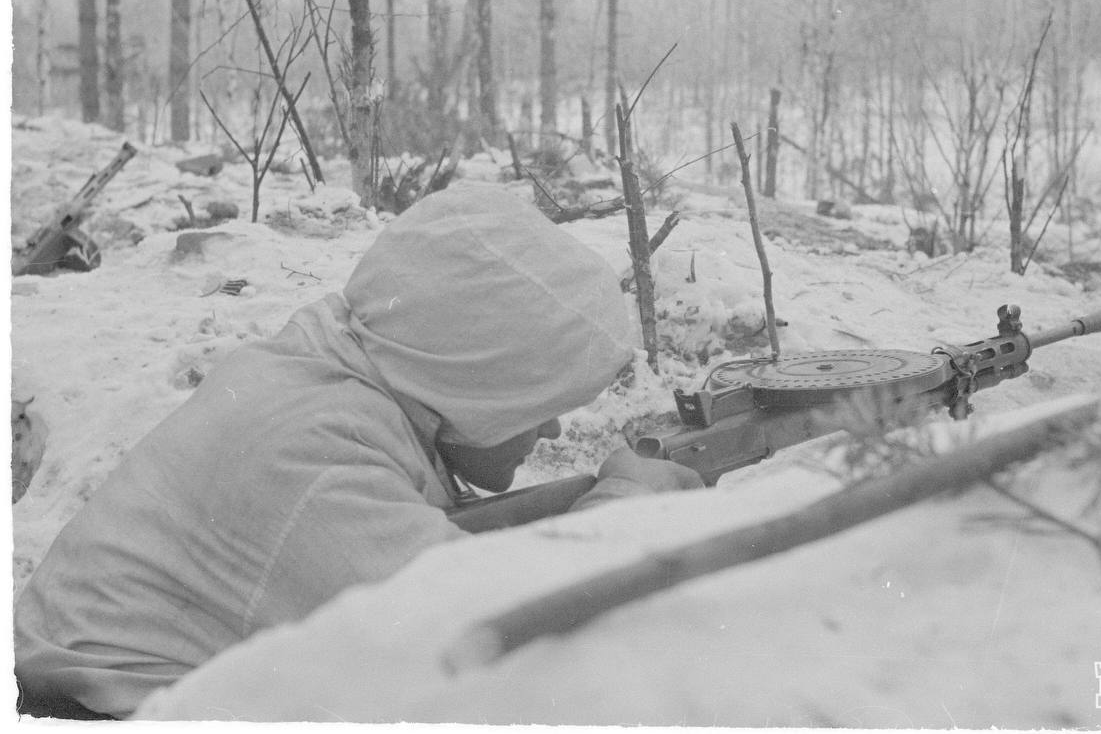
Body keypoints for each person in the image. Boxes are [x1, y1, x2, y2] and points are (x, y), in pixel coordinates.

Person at [14, 185, 703, 720]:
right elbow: (486, 634)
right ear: (478, 376)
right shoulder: (310, 453)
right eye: (539, 402)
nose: (551, 432)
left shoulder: (341, 369)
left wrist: (567, 507)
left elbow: (408, 536)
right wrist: (623, 506)